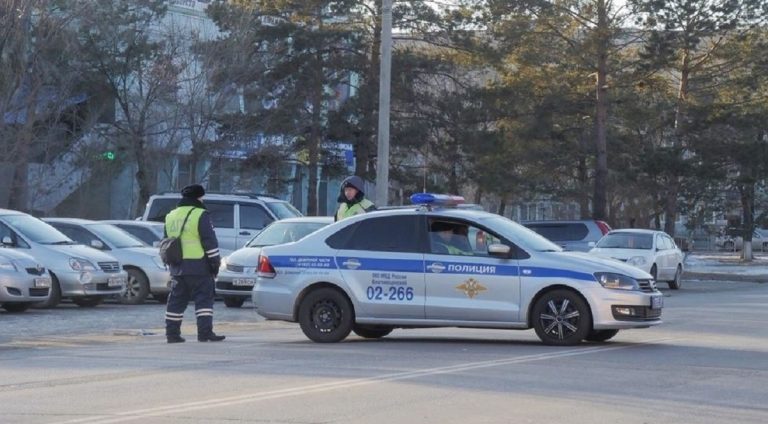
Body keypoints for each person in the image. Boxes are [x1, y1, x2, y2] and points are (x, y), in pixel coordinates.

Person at [164, 184, 225, 343]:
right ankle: (204, 333)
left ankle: (172, 334)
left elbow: (167, 241)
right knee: (204, 301)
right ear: (198, 197)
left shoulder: (171, 215)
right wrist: (215, 264)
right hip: (199, 265)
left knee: (176, 301)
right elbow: (209, 242)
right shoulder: (200, 214)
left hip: (177, 266)